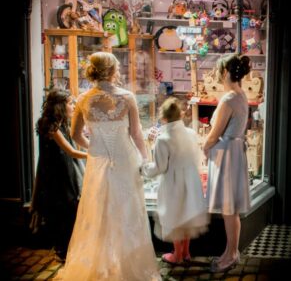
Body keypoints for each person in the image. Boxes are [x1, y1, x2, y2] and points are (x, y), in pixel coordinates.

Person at [54, 52, 161, 280]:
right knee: (128, 212)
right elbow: (136, 134)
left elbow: (74, 134)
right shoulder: (127, 97)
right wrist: (145, 160)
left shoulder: (83, 99)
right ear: (113, 71)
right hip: (125, 159)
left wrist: (92, 147)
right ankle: (126, 265)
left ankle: (101, 264)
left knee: (98, 211)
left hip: (98, 161)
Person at [142, 97, 209, 264]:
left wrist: (143, 168)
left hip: (173, 183)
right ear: (181, 115)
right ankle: (186, 252)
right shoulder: (192, 134)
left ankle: (177, 255)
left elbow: (160, 167)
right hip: (191, 181)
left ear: (163, 118)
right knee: (186, 216)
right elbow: (196, 157)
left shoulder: (163, 139)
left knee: (174, 217)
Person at [202, 54, 251, 273]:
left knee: (229, 210)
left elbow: (214, 133)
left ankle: (231, 254)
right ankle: (231, 251)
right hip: (234, 152)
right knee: (231, 210)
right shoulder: (241, 95)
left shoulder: (228, 98)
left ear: (224, 72)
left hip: (227, 154)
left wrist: (204, 147)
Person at [30, 88, 86, 262]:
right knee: (62, 211)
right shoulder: (51, 126)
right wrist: (94, 155)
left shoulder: (62, 123)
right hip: (55, 176)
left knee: (70, 209)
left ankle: (68, 249)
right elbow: (70, 151)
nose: (73, 106)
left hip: (65, 171)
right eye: (70, 103)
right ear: (60, 106)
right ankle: (62, 251)